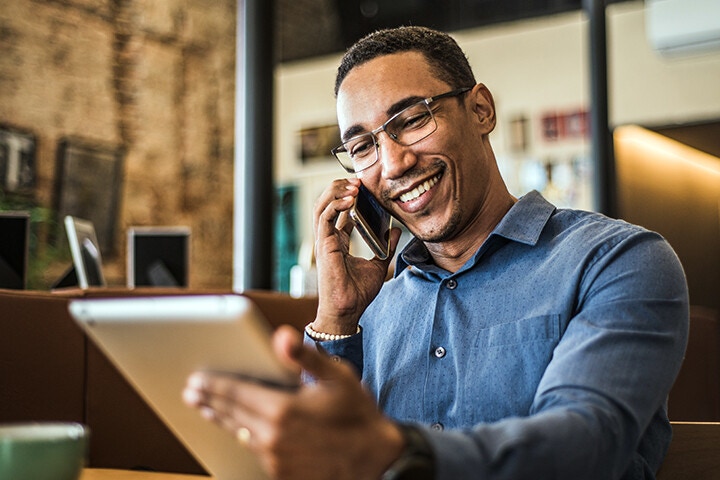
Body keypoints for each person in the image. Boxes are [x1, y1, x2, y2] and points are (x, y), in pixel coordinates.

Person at [183, 26, 689, 480]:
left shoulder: (619, 261)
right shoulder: (370, 306)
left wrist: (394, 452)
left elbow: (586, 445)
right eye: (363, 148)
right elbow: (312, 457)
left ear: (480, 110)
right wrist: (336, 318)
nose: (394, 163)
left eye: (411, 120)